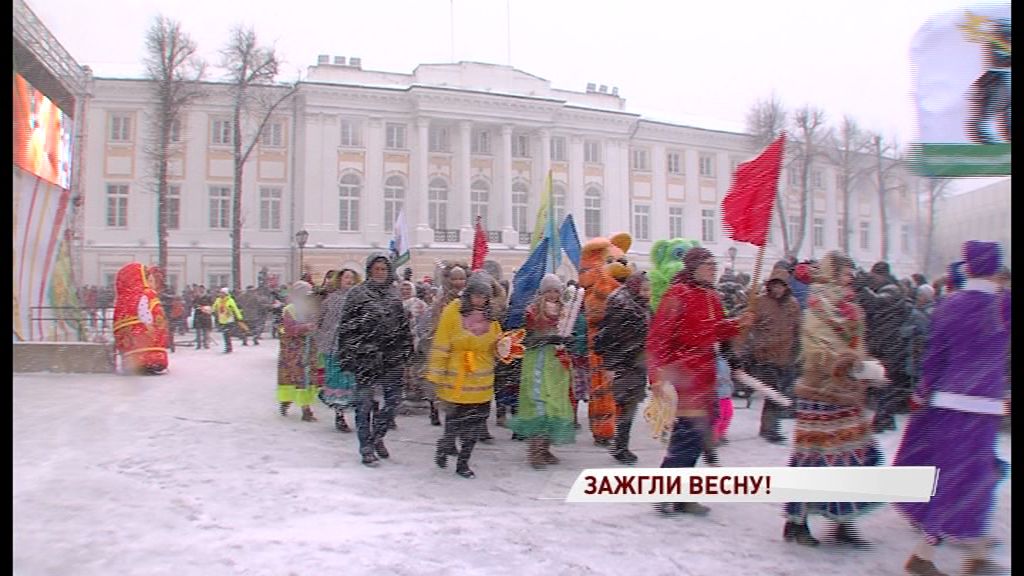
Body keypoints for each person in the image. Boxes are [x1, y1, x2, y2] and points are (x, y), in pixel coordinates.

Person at [897, 241, 1011, 576]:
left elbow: (934, 356)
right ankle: (931, 554)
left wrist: (922, 392)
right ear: (995, 268)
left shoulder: (950, 304)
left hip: (947, 403)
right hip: (984, 405)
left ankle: (972, 550)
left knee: (959, 475)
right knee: (972, 477)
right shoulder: (1002, 305)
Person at [783, 250, 882, 548]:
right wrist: (842, 363)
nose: (851, 277)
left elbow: (857, 344)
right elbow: (815, 350)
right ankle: (796, 521)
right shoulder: (818, 305)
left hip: (848, 393)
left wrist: (864, 367)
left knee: (851, 458)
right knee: (814, 459)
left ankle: (843, 519)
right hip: (821, 392)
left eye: (851, 272)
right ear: (833, 273)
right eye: (846, 272)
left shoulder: (851, 306)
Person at [646, 247, 752, 515]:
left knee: (697, 437)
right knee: (685, 437)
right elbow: (659, 338)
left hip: (706, 375)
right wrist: (656, 375)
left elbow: (715, 331)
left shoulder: (711, 296)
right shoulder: (677, 294)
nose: (713, 270)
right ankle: (666, 491)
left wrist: (739, 323)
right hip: (683, 375)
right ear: (693, 267)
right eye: (708, 265)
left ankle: (683, 495)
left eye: (714, 265)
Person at [335, 253, 414, 466]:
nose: (380, 273)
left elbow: (402, 326)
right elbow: (346, 327)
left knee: (393, 402)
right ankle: (365, 446)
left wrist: (407, 350)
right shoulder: (357, 294)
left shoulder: (393, 295)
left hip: (391, 356)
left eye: (383, 269)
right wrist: (351, 353)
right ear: (369, 270)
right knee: (364, 404)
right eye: (376, 269)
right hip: (365, 357)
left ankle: (377, 435)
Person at [427, 274, 503, 478]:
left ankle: (463, 462)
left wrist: (504, 349)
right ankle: (445, 445)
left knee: (476, 423)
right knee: (454, 421)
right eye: (477, 295)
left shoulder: (492, 318)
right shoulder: (452, 312)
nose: (480, 300)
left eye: (484, 297)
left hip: (482, 380)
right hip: (457, 378)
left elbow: (497, 344)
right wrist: (435, 374)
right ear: (468, 295)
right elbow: (442, 343)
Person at [510, 274, 577, 468]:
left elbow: (572, 333)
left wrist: (569, 340)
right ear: (542, 292)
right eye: (549, 291)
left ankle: (546, 448)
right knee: (539, 405)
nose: (553, 295)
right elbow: (526, 339)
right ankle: (535, 451)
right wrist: (546, 339)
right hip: (538, 362)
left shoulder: (566, 311)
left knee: (555, 405)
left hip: (557, 362)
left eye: (556, 291)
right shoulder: (532, 311)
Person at [594, 272, 651, 465]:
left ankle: (620, 444)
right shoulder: (622, 305)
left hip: (637, 362)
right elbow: (609, 336)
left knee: (629, 404)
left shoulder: (641, 306)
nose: (648, 293)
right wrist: (611, 365)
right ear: (635, 287)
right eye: (644, 289)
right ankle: (620, 446)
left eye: (649, 290)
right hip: (624, 363)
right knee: (626, 404)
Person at [747, 267, 801, 444]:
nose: (777, 289)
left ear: (786, 287)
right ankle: (770, 429)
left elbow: (798, 329)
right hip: (765, 357)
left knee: (778, 393)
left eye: (781, 286)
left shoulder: (793, 304)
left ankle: (770, 427)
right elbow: (748, 326)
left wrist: (796, 352)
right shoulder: (760, 302)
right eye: (774, 285)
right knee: (773, 392)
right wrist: (755, 345)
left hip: (785, 357)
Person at [857, 261, 913, 433]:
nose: (872, 280)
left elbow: (875, 303)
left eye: (874, 276)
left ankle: (883, 420)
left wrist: (861, 287)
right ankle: (885, 419)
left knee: (884, 384)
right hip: (888, 345)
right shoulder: (890, 289)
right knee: (883, 384)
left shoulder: (891, 290)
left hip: (890, 346)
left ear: (881, 275)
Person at [417, 262, 469, 426]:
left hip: (461, 346)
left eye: (461, 278)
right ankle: (434, 408)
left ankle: (456, 411)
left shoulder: (469, 299)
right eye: (455, 278)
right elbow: (435, 322)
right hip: (443, 344)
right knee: (437, 378)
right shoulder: (441, 300)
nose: (458, 282)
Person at [316, 268, 361, 432]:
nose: (349, 280)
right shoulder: (331, 299)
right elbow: (320, 321)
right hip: (334, 346)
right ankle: (339, 414)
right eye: (346, 277)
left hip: (354, 347)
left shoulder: (360, 299)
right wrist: (325, 337)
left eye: (352, 278)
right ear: (339, 280)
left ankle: (359, 415)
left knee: (353, 380)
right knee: (337, 380)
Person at [112, 262, 170, 374]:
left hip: (131, 340)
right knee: (147, 347)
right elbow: (144, 311)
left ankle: (135, 362)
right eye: (150, 281)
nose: (153, 284)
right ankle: (150, 361)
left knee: (135, 347)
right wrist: (148, 323)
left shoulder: (123, 299)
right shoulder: (146, 294)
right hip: (146, 336)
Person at [277, 281, 320, 422]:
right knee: (296, 378)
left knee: (306, 379)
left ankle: (304, 408)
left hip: (309, 348)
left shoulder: (312, 308)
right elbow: (288, 329)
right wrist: (304, 327)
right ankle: (289, 403)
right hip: (294, 351)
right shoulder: (289, 309)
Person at [213, 287, 244, 353]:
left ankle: (228, 347)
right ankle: (228, 346)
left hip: (229, 319)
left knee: (226, 333)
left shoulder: (230, 300)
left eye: (222, 293)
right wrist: (210, 310)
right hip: (222, 319)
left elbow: (235, 309)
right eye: (220, 293)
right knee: (225, 334)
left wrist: (239, 317)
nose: (220, 294)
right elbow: (214, 307)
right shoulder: (218, 300)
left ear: (226, 294)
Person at [191, 285, 213, 350]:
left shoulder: (208, 297)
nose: (201, 290)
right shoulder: (196, 297)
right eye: (200, 289)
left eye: (202, 289)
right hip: (198, 315)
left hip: (206, 316)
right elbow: (194, 305)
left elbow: (211, 305)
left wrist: (204, 308)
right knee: (198, 331)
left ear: (204, 289)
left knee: (206, 331)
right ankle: (199, 344)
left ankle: (206, 344)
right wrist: (200, 307)